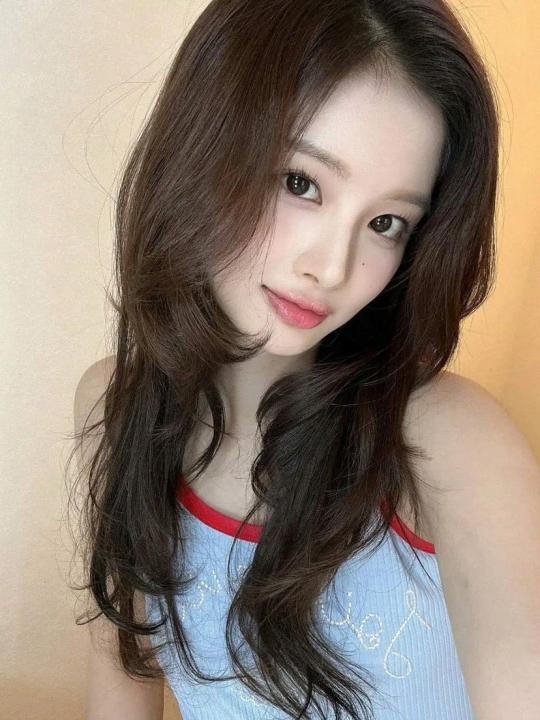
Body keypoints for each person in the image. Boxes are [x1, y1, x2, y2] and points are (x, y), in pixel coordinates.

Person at [69, 1, 540, 719]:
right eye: (301, 182)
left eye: (386, 223)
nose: (332, 266)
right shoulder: (116, 409)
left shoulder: (449, 443)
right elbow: (120, 693)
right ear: (206, 143)